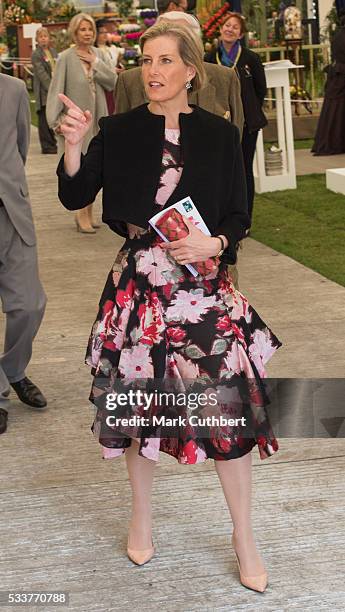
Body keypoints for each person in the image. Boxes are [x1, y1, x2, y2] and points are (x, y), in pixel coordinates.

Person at [56, 22, 281, 592]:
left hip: (202, 286)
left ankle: (244, 535)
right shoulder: (119, 128)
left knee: (229, 410)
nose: (152, 71)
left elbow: (239, 214)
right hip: (140, 287)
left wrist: (216, 244)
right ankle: (142, 516)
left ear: (190, 71)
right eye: (145, 60)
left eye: (164, 60)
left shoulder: (220, 135)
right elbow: (74, 195)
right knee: (141, 412)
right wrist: (74, 144)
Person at [0, 73, 47, 428]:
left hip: (11, 214)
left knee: (29, 305)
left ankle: (12, 370)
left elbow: (19, 149)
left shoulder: (14, 89)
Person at [114, 12, 244, 136]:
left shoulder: (224, 78)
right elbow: (119, 135)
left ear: (196, 45)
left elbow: (235, 133)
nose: (153, 70)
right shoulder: (129, 81)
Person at [46, 12, 117, 234]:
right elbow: (56, 89)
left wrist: (96, 63)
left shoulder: (99, 54)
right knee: (81, 166)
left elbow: (113, 82)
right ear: (75, 32)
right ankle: (80, 213)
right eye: (83, 30)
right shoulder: (66, 57)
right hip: (77, 123)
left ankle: (89, 213)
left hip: (98, 119)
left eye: (90, 30)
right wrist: (55, 120)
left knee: (96, 166)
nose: (87, 34)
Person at [205, 12, 267, 227]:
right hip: (217, 124)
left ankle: (244, 220)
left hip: (247, 125)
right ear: (221, 29)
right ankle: (221, 217)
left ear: (241, 34)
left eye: (235, 27)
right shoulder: (209, 58)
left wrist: (247, 111)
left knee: (243, 170)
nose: (230, 29)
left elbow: (261, 90)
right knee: (221, 171)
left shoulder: (250, 58)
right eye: (227, 25)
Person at [312, 11, 345, 155]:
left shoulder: (338, 34)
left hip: (338, 73)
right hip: (341, 74)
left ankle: (331, 140)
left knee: (335, 110)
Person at [31, 27, 58, 154]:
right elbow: (41, 74)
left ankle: (53, 142)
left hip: (54, 88)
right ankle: (47, 146)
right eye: (40, 36)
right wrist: (52, 88)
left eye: (45, 36)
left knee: (52, 117)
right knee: (43, 118)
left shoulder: (53, 51)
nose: (43, 39)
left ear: (49, 38)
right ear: (37, 39)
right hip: (44, 91)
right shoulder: (36, 54)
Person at [95, 19, 124, 115]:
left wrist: (120, 66)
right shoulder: (95, 51)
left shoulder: (112, 48)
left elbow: (115, 62)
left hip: (116, 83)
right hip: (104, 86)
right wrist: (113, 70)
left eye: (106, 32)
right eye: (101, 33)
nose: (104, 35)